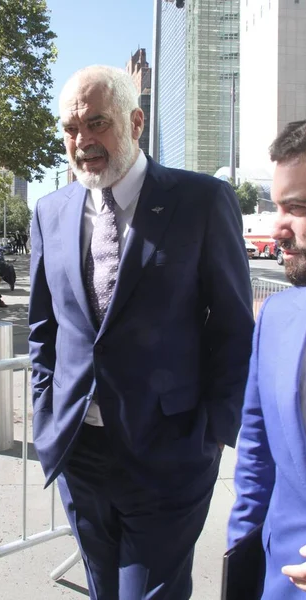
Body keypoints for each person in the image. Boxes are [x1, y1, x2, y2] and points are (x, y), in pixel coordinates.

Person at [29, 65, 253, 600]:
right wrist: (45, 414)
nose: (82, 141)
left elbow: (232, 327)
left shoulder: (201, 201)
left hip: (170, 456)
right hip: (79, 453)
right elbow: (43, 329)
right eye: (70, 128)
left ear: (136, 121)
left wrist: (214, 433)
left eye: (97, 123)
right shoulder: (49, 212)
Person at [228, 120, 306, 599]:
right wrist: (239, 555)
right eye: (278, 206)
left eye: (296, 207)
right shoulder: (275, 316)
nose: (277, 226)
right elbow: (255, 457)